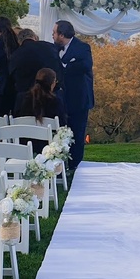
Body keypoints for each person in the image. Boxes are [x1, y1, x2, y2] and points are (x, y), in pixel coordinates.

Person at [52, 20, 94, 171]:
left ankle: (76, 165)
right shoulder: (54, 49)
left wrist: (66, 65)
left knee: (78, 132)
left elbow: (85, 66)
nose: (52, 35)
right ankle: (60, 165)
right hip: (61, 100)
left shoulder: (82, 47)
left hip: (79, 98)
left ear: (61, 35)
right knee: (61, 132)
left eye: (54, 33)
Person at [9, 28, 63, 112]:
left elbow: (13, 77)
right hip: (51, 98)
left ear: (19, 41)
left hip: (25, 101)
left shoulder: (15, 55)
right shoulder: (49, 47)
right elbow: (59, 69)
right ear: (34, 37)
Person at [17, 68, 67, 154]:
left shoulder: (22, 98)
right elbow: (62, 125)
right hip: (48, 148)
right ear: (52, 83)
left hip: (24, 145)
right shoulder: (55, 101)